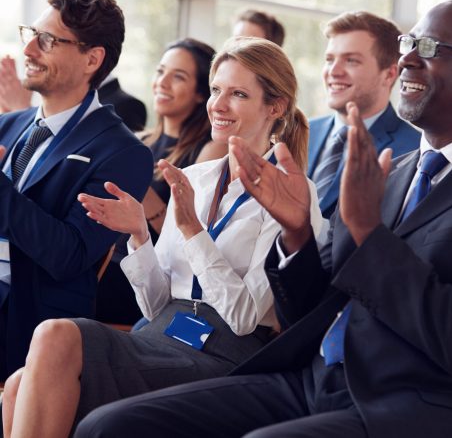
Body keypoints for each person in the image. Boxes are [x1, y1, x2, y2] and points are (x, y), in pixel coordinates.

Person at [75, 0, 452, 438]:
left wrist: (369, 236)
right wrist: (297, 236)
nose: (408, 56)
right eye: (408, 43)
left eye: (429, 46)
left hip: (409, 398)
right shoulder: (396, 172)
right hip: (313, 374)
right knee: (108, 425)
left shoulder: (377, 172)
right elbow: (317, 305)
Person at [2, 37, 324, 438]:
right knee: (17, 383)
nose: (219, 105)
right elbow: (157, 306)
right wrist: (139, 234)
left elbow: (242, 319)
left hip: (224, 353)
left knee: (55, 333)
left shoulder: (295, 195)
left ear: (274, 107)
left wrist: (192, 229)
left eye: (238, 94)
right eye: (218, 90)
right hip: (161, 333)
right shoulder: (194, 179)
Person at [0, 0, 153, 381]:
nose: (29, 50)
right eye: (29, 34)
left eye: (47, 40)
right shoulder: (9, 126)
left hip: (25, 322)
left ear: (92, 59)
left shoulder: (123, 153)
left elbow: (67, 255)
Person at [96, 38, 227, 325]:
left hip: (149, 275)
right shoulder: (139, 140)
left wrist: (143, 196)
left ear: (199, 93)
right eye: (160, 72)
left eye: (178, 76)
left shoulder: (209, 149)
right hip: (109, 257)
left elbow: (194, 233)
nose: (163, 83)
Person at [309, 11, 420, 218]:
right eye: (329, 59)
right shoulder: (300, 132)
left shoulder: (414, 152)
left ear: (389, 74)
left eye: (351, 60)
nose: (334, 71)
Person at [0, 55, 147, 132]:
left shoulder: (128, 106)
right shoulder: (53, 103)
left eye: (51, 42)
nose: (28, 51)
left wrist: (20, 108)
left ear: (92, 60)